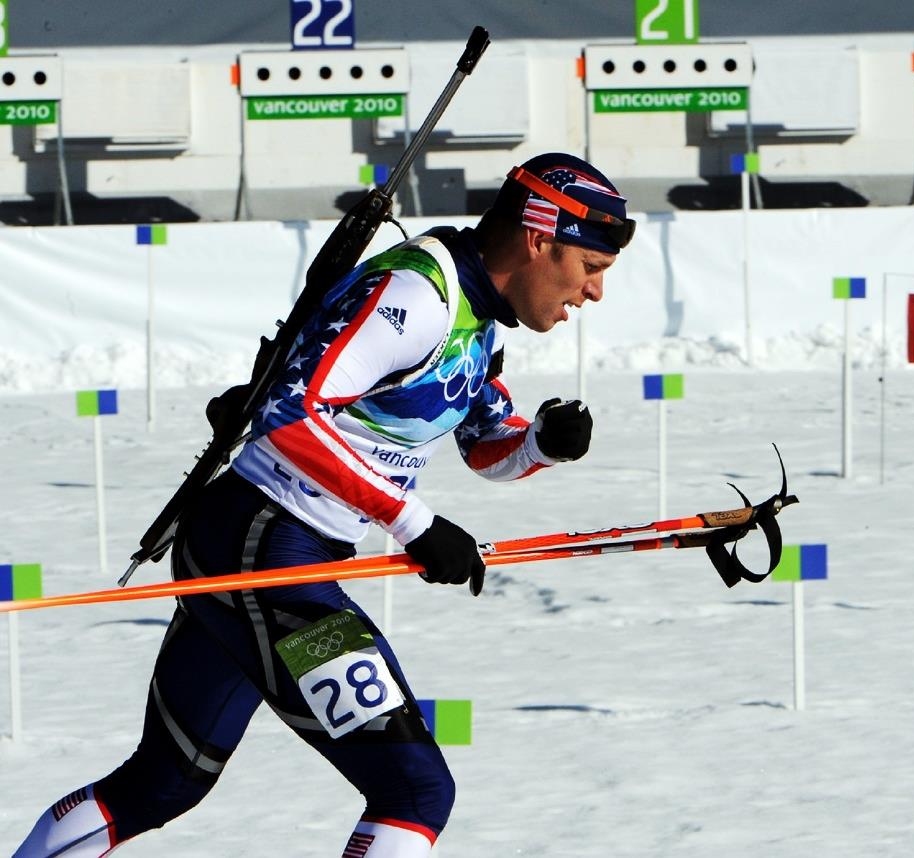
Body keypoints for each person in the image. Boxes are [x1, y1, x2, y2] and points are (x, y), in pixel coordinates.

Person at [13, 152, 636, 857]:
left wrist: (542, 444)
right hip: (268, 552)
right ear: (536, 239)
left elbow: (483, 445)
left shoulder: (480, 318)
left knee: (163, 783)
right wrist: (415, 524)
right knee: (415, 792)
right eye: (590, 267)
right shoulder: (417, 296)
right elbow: (289, 414)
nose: (593, 293)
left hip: (264, 549)